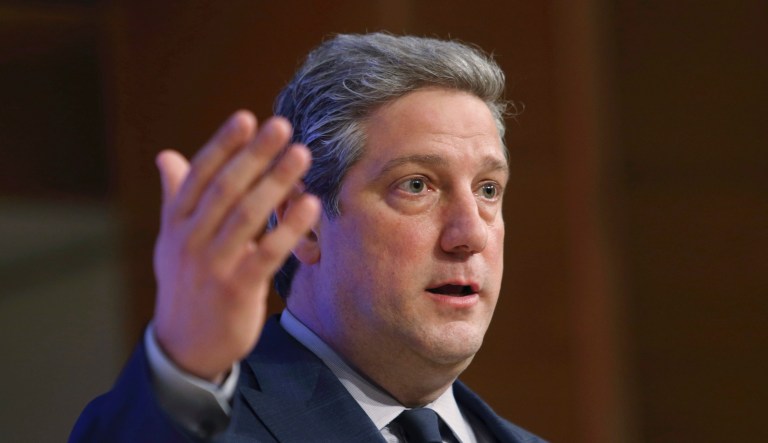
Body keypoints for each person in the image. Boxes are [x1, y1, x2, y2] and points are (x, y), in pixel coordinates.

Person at [70, 33, 546, 442]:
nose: (470, 234)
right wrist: (183, 367)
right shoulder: (206, 422)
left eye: (488, 190)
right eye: (416, 185)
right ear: (306, 221)